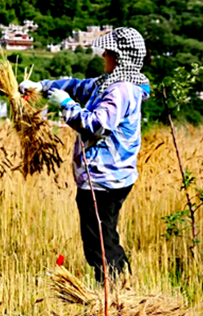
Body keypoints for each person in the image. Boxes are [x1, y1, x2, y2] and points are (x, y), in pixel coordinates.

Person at [20, 27, 150, 283]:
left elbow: (97, 125)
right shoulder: (108, 83)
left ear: (120, 57)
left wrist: (66, 104)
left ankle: (112, 290)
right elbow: (77, 86)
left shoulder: (121, 90)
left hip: (105, 178)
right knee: (104, 236)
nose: (103, 55)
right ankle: (121, 284)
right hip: (105, 177)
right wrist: (42, 87)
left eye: (108, 52)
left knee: (99, 243)